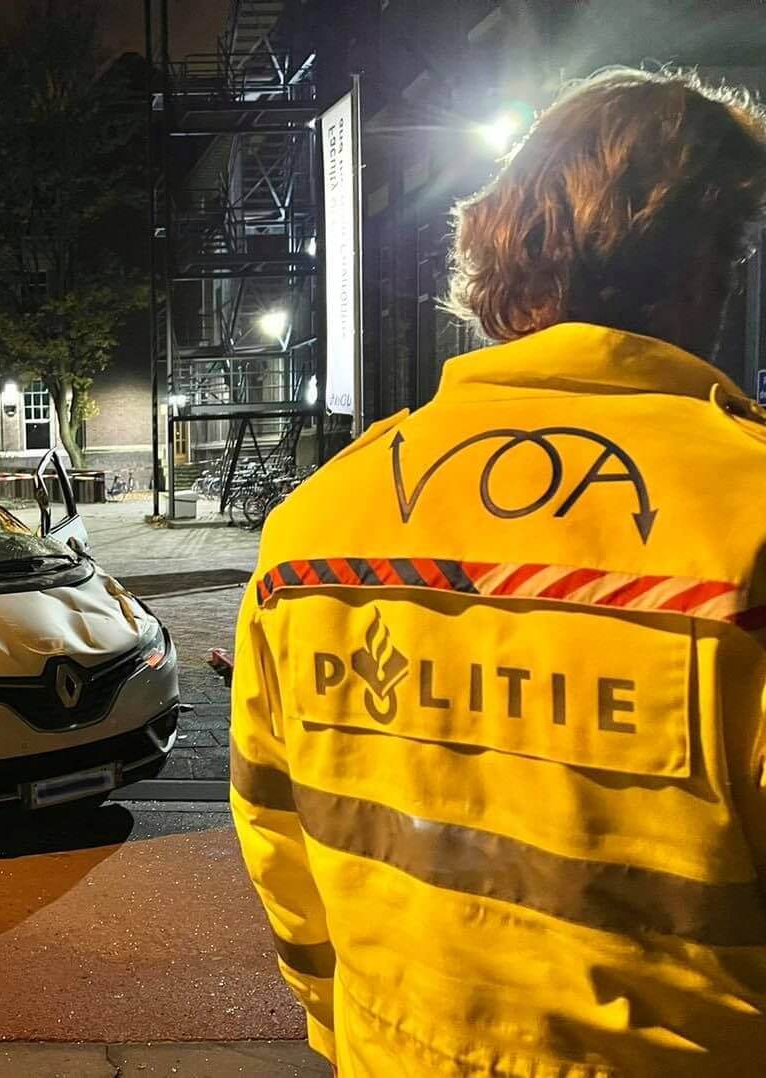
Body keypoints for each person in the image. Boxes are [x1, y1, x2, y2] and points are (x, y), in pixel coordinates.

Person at [230, 68, 766, 1076]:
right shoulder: (748, 521)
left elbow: (275, 826)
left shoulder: (313, 527)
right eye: (736, 252)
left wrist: (343, 1022)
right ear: (702, 268)